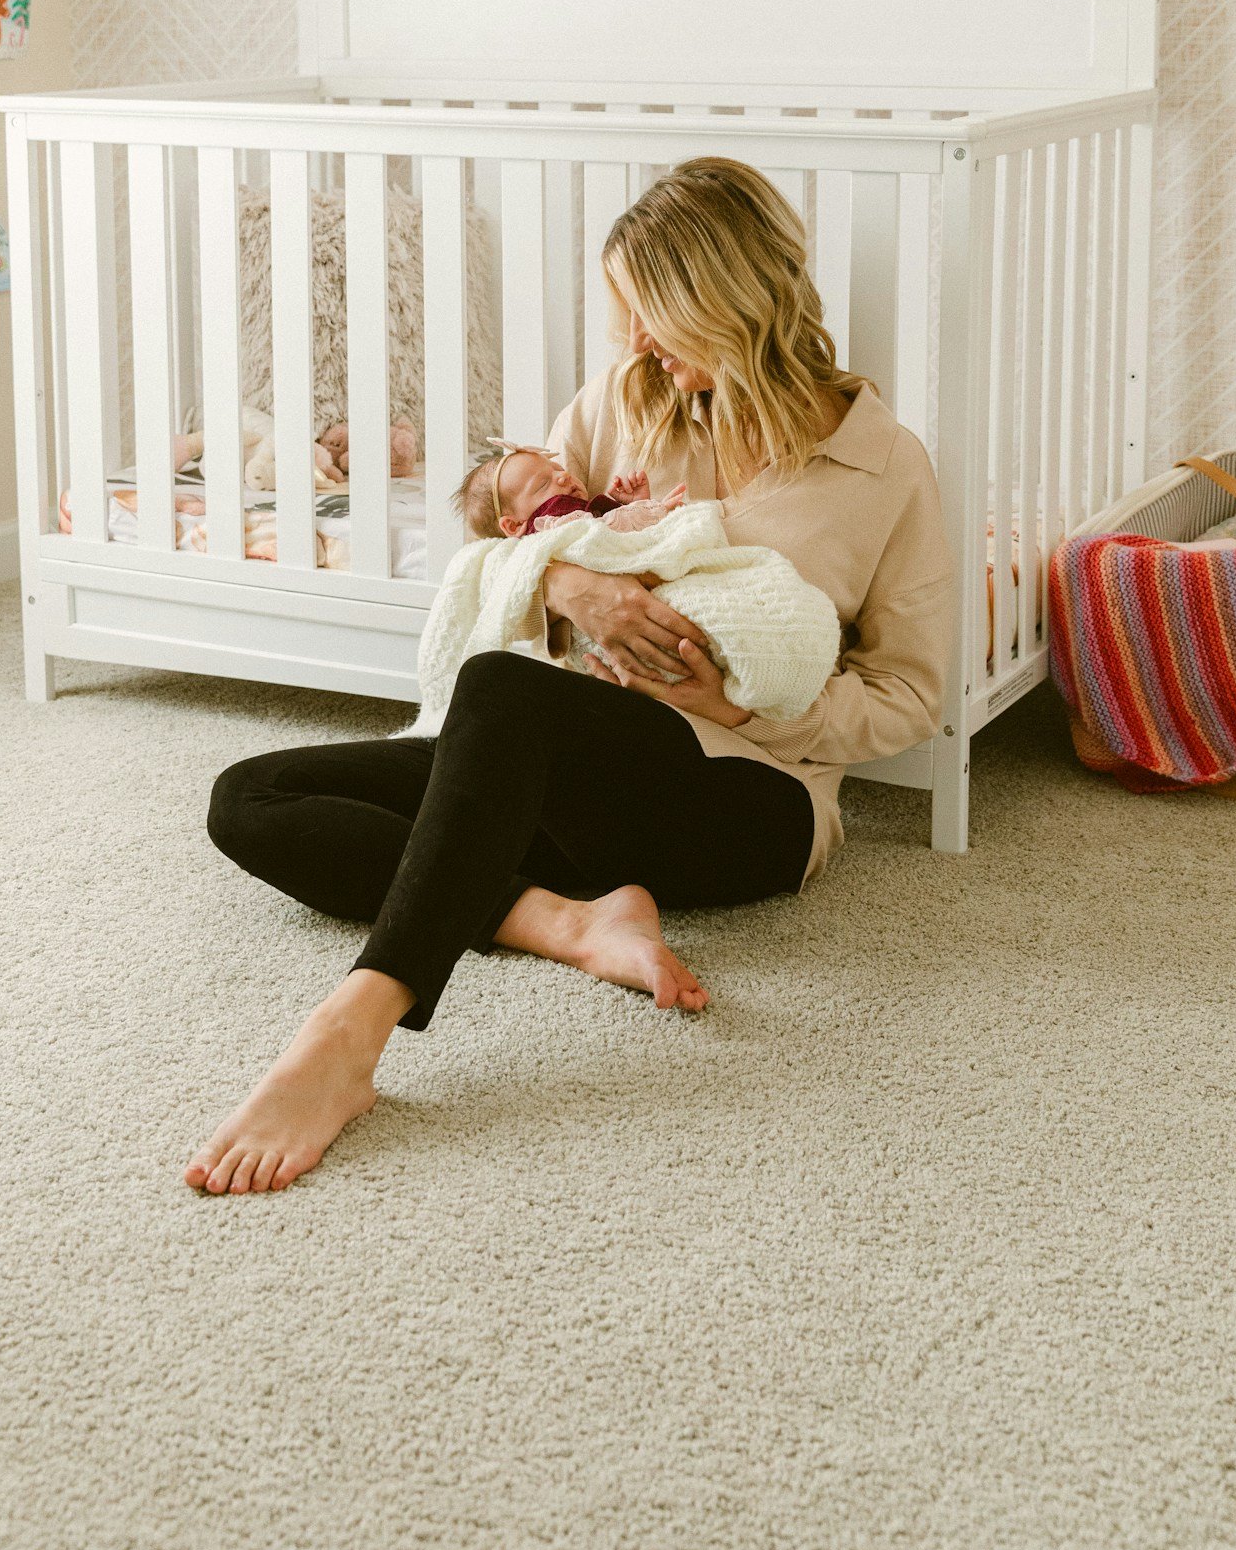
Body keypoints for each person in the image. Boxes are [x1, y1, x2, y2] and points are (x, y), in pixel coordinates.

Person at [186, 156, 953, 1197]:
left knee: (503, 697)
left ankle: (348, 1032)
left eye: (651, 315)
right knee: (250, 797)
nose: (630, 341)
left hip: (746, 794)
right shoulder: (620, 404)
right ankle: (566, 919)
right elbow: (520, 543)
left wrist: (744, 703)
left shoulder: (884, 466)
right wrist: (574, 593)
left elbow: (909, 693)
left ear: (728, 302)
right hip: (567, 764)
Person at [454, 443, 685, 539]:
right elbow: (605, 530)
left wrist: (623, 504)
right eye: (543, 484)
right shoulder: (549, 520)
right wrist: (652, 510)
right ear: (514, 526)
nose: (563, 476)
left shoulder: (562, 518)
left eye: (557, 468)